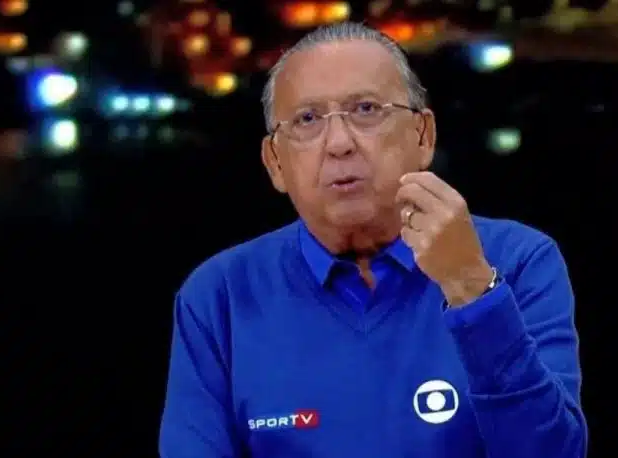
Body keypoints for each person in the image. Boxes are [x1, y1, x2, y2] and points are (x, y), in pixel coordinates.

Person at [159, 22, 587, 458]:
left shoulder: (519, 261)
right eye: (307, 120)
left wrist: (471, 290)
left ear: (423, 136)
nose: (339, 143)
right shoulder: (220, 297)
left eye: (366, 109)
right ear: (275, 163)